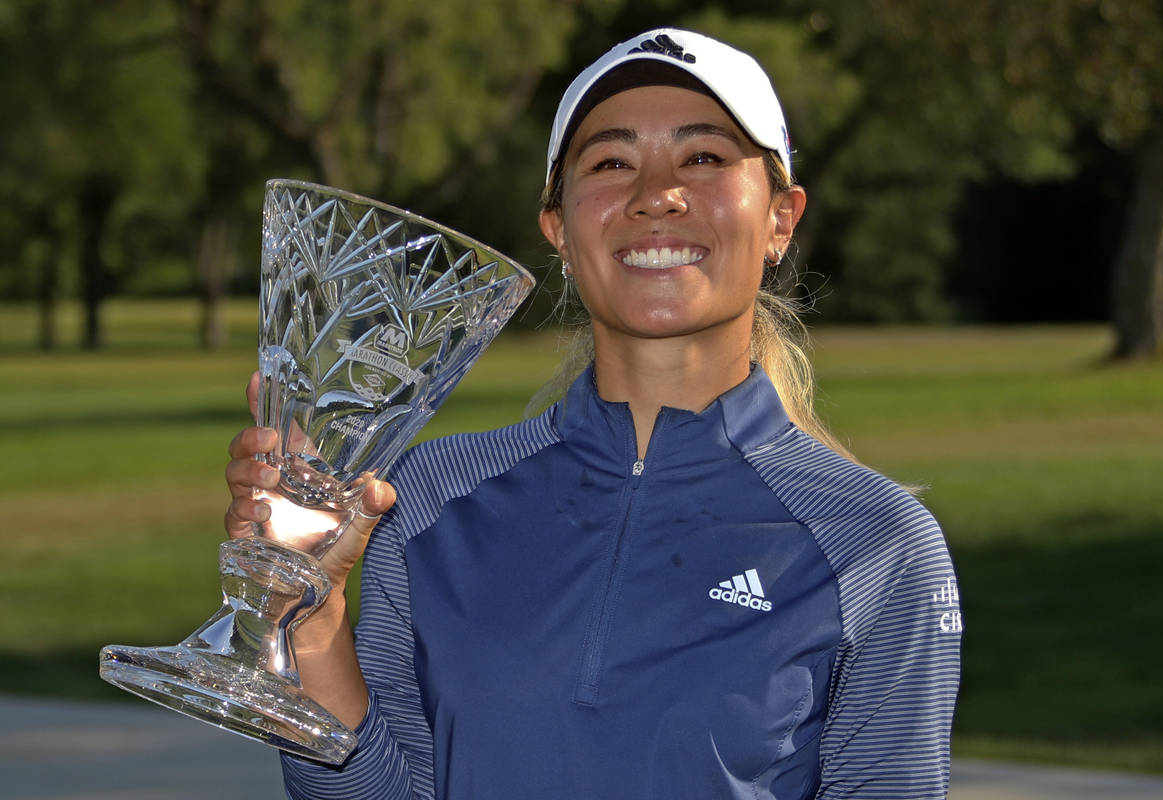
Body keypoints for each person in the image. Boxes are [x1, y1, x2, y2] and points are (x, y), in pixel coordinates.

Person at [225, 27, 962, 800]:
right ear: (560, 230)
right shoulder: (431, 497)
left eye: (703, 157)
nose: (656, 194)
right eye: (611, 162)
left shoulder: (876, 542)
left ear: (781, 218)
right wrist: (307, 617)